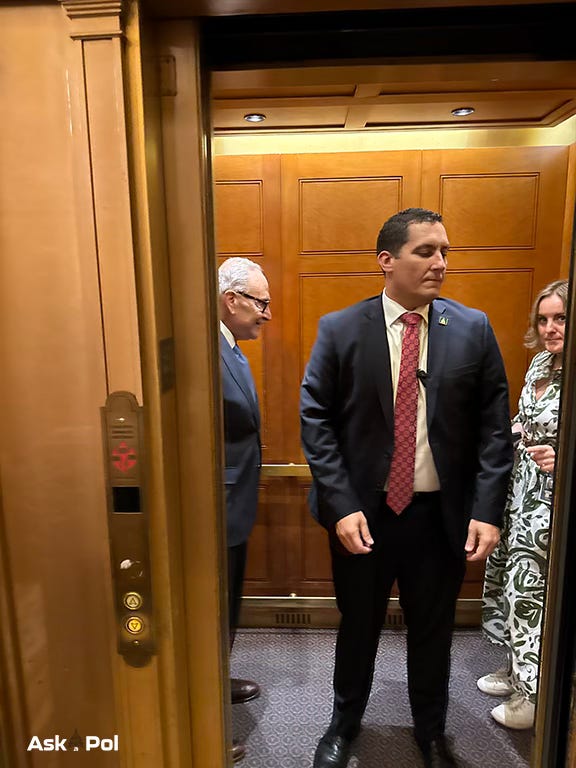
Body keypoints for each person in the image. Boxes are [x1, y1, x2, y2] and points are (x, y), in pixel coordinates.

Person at [300, 208, 514, 768]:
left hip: (439, 517)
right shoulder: (340, 328)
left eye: (445, 251)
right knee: (359, 626)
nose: (440, 263)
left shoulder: (473, 328)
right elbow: (315, 419)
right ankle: (344, 724)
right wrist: (340, 504)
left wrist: (488, 510)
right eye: (426, 251)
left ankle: (432, 732)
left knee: (433, 632)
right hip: (364, 518)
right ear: (386, 260)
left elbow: (495, 430)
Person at [479, 279, 568, 730]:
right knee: (512, 586)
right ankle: (519, 671)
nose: (550, 328)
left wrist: (566, 457)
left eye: (561, 318)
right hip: (520, 492)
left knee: (534, 592)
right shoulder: (539, 364)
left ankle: (535, 697)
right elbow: (525, 418)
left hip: (555, 502)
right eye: (544, 319)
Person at [218, 256, 272, 762]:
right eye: (260, 302)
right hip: (214, 507)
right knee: (212, 610)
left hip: (235, 502)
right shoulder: (204, 349)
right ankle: (205, 724)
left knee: (226, 605)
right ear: (231, 300)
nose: (267, 314)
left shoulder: (230, 348)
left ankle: (214, 683)